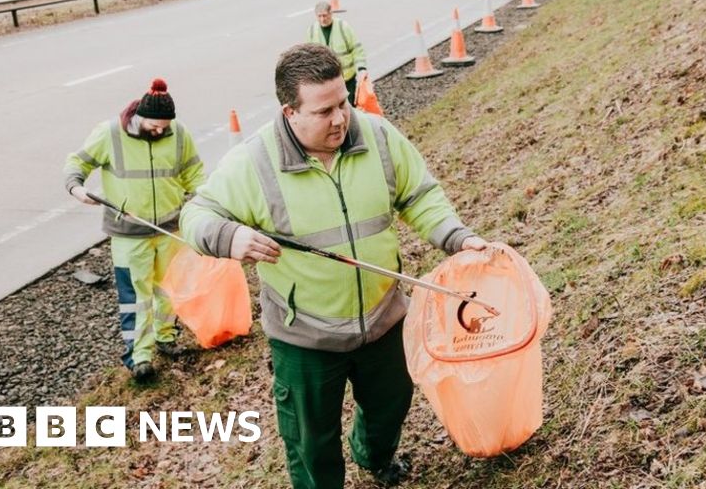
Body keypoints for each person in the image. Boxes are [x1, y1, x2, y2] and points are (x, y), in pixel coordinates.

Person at [180, 43, 487, 489]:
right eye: (324, 111)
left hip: (383, 319)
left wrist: (458, 238)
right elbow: (196, 215)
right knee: (311, 440)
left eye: (343, 102)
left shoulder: (378, 136)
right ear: (290, 112)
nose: (341, 118)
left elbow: (419, 195)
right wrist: (229, 236)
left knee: (390, 407)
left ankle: (373, 455)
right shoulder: (253, 162)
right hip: (304, 335)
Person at [64, 78, 205, 383]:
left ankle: (166, 337)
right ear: (139, 117)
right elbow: (77, 163)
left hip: (169, 227)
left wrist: (205, 202)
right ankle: (139, 356)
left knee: (169, 288)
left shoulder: (178, 133)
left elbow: (194, 173)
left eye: (164, 127)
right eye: (154, 126)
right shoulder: (110, 134)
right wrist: (76, 188)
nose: (159, 131)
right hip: (128, 233)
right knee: (136, 296)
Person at [305, 1, 368, 107]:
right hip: (326, 81)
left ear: (331, 13)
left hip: (347, 79)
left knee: (349, 108)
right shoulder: (311, 31)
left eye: (325, 15)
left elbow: (356, 48)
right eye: (319, 16)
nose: (322, 19)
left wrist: (362, 68)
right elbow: (309, 57)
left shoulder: (343, 27)